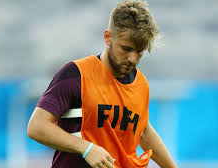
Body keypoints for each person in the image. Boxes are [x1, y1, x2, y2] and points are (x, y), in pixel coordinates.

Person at [27, 0, 177, 167]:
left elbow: (143, 130)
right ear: (108, 37)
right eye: (126, 49)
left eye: (139, 51)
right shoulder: (76, 74)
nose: (132, 59)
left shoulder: (141, 84)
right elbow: (36, 126)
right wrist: (86, 148)